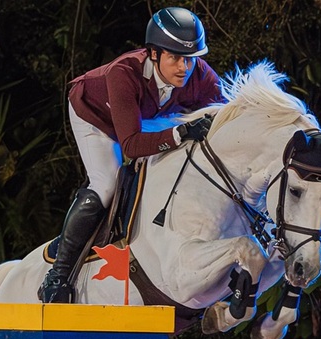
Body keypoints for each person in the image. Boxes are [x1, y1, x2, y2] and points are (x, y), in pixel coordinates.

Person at [40, 6, 225, 303]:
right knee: (106, 184)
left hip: (146, 117)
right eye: (175, 58)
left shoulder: (202, 77)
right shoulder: (123, 73)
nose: (184, 68)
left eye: (190, 59)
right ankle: (58, 276)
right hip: (96, 116)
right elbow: (131, 146)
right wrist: (179, 134)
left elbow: (225, 122)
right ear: (154, 54)